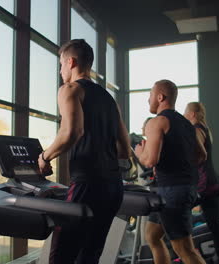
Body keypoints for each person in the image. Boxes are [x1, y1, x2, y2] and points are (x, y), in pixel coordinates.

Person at [37, 39, 131, 264]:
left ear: (71, 62)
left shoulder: (70, 89)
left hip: (88, 185)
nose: (60, 71)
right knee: (89, 256)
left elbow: (72, 132)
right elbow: (124, 150)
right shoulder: (109, 99)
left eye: (61, 64)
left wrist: (44, 156)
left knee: (61, 257)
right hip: (113, 187)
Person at [134, 79, 206, 264]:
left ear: (160, 97)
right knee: (152, 236)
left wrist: (139, 153)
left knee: (184, 249)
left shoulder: (157, 122)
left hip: (172, 191)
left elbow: (150, 160)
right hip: (179, 188)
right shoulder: (186, 124)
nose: (148, 99)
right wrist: (176, 160)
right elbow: (201, 156)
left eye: (150, 95)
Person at [184, 102, 219, 263]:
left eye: (186, 112)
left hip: (204, 184)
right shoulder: (205, 128)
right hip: (214, 182)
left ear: (193, 114)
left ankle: (188, 254)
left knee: (178, 214)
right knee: (213, 224)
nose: (184, 115)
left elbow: (198, 154)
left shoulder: (196, 129)